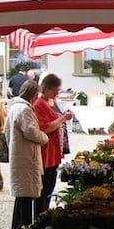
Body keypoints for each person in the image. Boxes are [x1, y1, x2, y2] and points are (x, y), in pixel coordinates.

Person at [6, 80, 48, 229]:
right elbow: (30, 131)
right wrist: (44, 137)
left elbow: (6, 130)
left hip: (18, 153)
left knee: (21, 195)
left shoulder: (15, 106)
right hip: (26, 156)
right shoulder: (25, 109)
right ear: (32, 94)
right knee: (26, 195)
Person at [31, 73, 74, 215]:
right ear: (48, 88)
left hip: (53, 152)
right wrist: (63, 118)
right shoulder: (39, 104)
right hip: (46, 153)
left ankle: (44, 213)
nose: (57, 93)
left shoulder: (50, 101)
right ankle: (40, 215)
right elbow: (45, 127)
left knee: (49, 187)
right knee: (44, 188)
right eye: (56, 90)